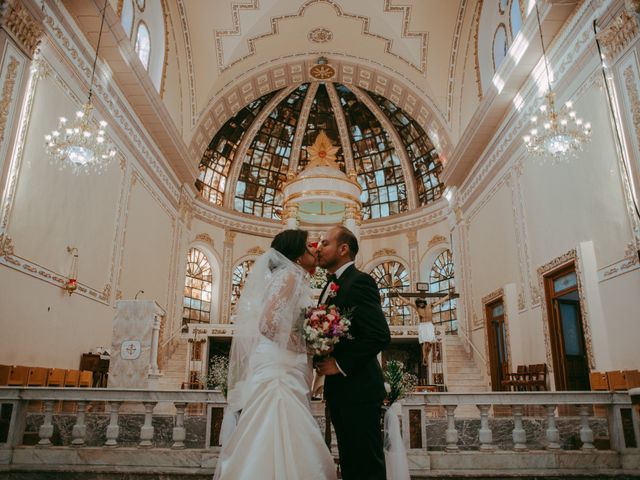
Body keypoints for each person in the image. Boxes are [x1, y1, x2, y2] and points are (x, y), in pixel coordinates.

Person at [215, 229, 336, 480]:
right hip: (280, 365)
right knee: (279, 419)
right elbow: (267, 324)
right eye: (308, 246)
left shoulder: (291, 276)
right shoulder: (290, 276)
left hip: (283, 360)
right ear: (296, 255)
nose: (314, 249)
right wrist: (307, 345)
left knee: (275, 424)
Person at [316, 225, 391, 480]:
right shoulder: (331, 285)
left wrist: (339, 364)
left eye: (325, 243)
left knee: (366, 464)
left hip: (359, 390)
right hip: (341, 391)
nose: (319, 248)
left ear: (343, 248)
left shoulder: (360, 281)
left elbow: (380, 335)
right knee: (350, 462)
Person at [395, 293, 450, 365]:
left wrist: (448, 296)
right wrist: (399, 296)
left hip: (429, 325)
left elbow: (440, 301)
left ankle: (426, 355)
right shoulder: (417, 308)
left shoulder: (430, 306)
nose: (420, 305)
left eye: (421, 303)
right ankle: (425, 357)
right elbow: (408, 302)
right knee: (425, 342)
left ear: (424, 302)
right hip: (423, 325)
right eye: (419, 304)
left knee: (430, 343)